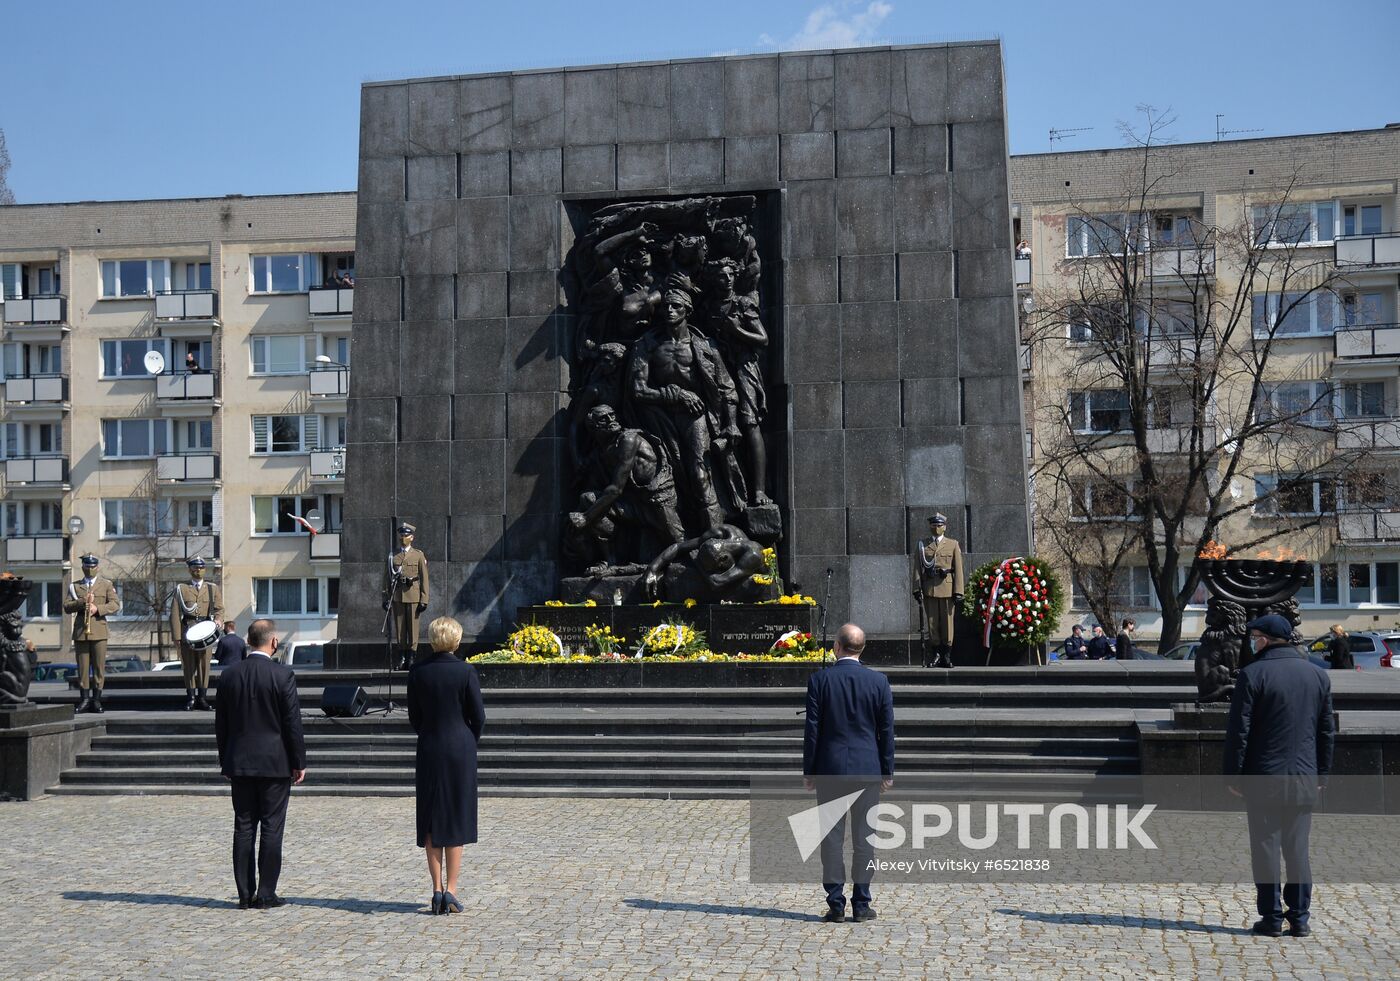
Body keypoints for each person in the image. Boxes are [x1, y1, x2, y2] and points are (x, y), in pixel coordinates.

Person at [1223, 613, 1334, 938]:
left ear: (1265, 639)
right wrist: (1322, 774)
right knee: (1298, 849)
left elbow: (1239, 732)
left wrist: (1234, 776)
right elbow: (1326, 731)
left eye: (1254, 635)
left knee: (1266, 848)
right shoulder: (1317, 675)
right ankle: (1299, 917)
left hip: (1263, 779)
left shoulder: (1252, 674)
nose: (1251, 641)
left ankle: (1271, 917)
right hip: (1304, 777)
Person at [802, 623, 895, 924]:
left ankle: (836, 903)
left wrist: (810, 770)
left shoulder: (820, 680)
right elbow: (886, 731)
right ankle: (862, 903)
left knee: (831, 839)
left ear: (836, 647)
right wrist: (887, 770)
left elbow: (812, 731)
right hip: (867, 769)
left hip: (830, 770)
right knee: (864, 839)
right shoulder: (879, 682)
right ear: (862, 649)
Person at [214, 618, 306, 910]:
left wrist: (225, 760)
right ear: (273, 642)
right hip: (275, 763)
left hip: (239, 762)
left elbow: (221, 725)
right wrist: (298, 761)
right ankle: (266, 893)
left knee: (243, 828)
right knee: (271, 828)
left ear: (248, 642)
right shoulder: (282, 675)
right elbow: (292, 723)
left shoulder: (229, 676)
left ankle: (244, 894)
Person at [407, 616, 485, 916]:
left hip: (429, 745)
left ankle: (436, 889)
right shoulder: (466, 671)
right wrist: (467, 740)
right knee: (455, 817)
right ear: (456, 640)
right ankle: (451, 889)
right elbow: (477, 716)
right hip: (460, 749)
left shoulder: (417, 672)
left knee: (430, 817)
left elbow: (415, 715)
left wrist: (429, 735)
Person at [62, 554, 120, 714]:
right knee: (82, 668)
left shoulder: (106, 584)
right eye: (87, 566)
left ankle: (96, 700)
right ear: (82, 568)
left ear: (98, 567)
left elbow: (115, 604)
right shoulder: (75, 586)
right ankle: (84, 699)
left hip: (99, 629)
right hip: (81, 630)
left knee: (99, 668)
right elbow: (66, 606)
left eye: (93, 566)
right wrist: (82, 602)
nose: (90, 569)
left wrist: (97, 609)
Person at [169, 556, 225, 710]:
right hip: (188, 631)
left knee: (204, 666)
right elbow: (174, 613)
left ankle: (202, 697)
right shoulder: (182, 589)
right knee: (188, 666)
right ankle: (191, 698)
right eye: (195, 568)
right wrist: (177, 637)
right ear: (190, 570)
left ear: (204, 569)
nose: (198, 570)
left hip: (206, 632)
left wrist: (219, 620)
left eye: (200, 568)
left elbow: (219, 609)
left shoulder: (212, 588)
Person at [911, 513, 965, 668]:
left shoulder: (953, 544)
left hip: (948, 589)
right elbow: (917, 568)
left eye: (939, 525)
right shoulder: (923, 545)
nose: (936, 528)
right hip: (930, 589)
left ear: (945, 527)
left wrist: (958, 591)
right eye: (933, 526)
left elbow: (959, 569)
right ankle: (936, 655)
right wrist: (916, 588)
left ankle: (947, 656)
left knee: (948, 625)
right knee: (932, 624)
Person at [383, 523, 430, 670]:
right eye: (401, 535)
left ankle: (412, 657)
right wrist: (386, 598)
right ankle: (402, 657)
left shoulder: (418, 555)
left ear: (412, 537)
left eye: (406, 535)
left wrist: (424, 599)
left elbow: (424, 578)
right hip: (397, 596)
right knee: (400, 629)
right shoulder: (393, 555)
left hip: (414, 595)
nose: (403, 538)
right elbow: (386, 578)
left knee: (413, 629)